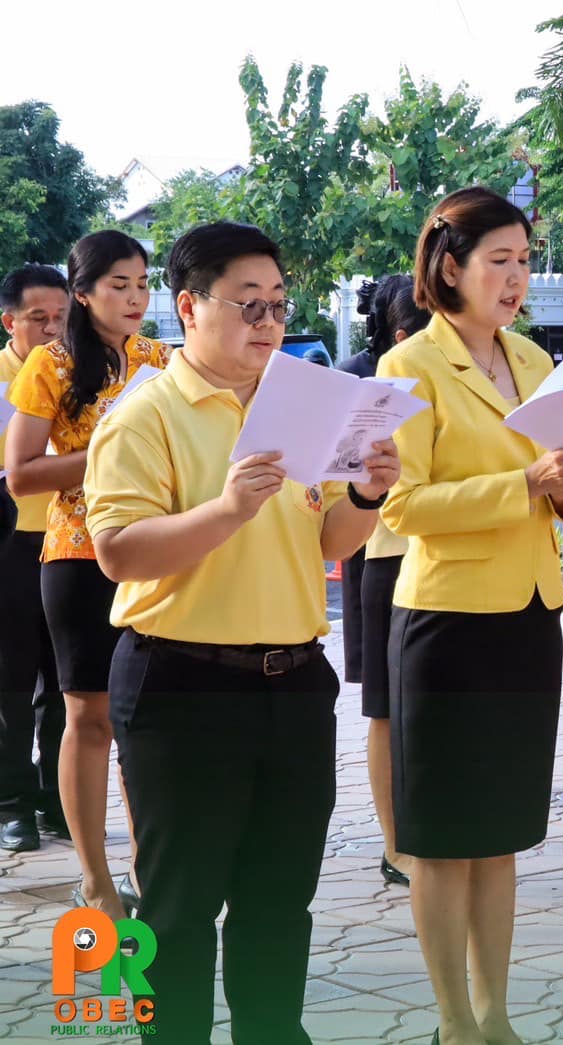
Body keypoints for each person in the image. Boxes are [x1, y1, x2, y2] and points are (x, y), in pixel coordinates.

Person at [85, 221, 400, 1043]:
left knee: (277, 898)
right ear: (188, 306)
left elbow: (327, 540)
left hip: (293, 680)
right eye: (247, 303)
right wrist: (227, 507)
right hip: (181, 683)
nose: (268, 320)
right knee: (180, 905)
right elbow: (117, 553)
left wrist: (366, 496)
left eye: (277, 303)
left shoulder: (300, 404)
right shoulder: (144, 413)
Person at [379, 187, 563, 1045]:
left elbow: (560, 499)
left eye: (523, 261)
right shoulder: (409, 366)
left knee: (500, 831)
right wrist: (527, 483)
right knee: (443, 837)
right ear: (450, 266)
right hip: (444, 622)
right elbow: (402, 507)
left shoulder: (538, 360)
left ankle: (497, 1013)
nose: (515, 279)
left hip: (528, 613)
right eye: (498, 261)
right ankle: (451, 1020)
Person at [5, 231, 169, 918]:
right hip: (74, 554)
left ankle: (147, 867)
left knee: (142, 718)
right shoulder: (50, 361)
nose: (135, 297)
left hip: (149, 552)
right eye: (118, 285)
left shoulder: (157, 357)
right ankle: (96, 879)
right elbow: (22, 473)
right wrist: (107, 449)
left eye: (142, 283)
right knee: (88, 716)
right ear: (83, 292)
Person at [340, 275, 430, 886]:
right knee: (387, 709)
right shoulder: (359, 383)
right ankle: (394, 843)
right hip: (383, 556)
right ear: (401, 337)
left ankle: (433, 832)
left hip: (448, 555)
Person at [0, 264, 69, 853]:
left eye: (60, 317)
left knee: (66, 682)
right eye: (37, 318)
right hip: (9, 544)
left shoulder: (80, 371)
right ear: (9, 321)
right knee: (10, 684)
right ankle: (13, 805)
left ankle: (57, 800)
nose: (51, 329)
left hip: (68, 544)